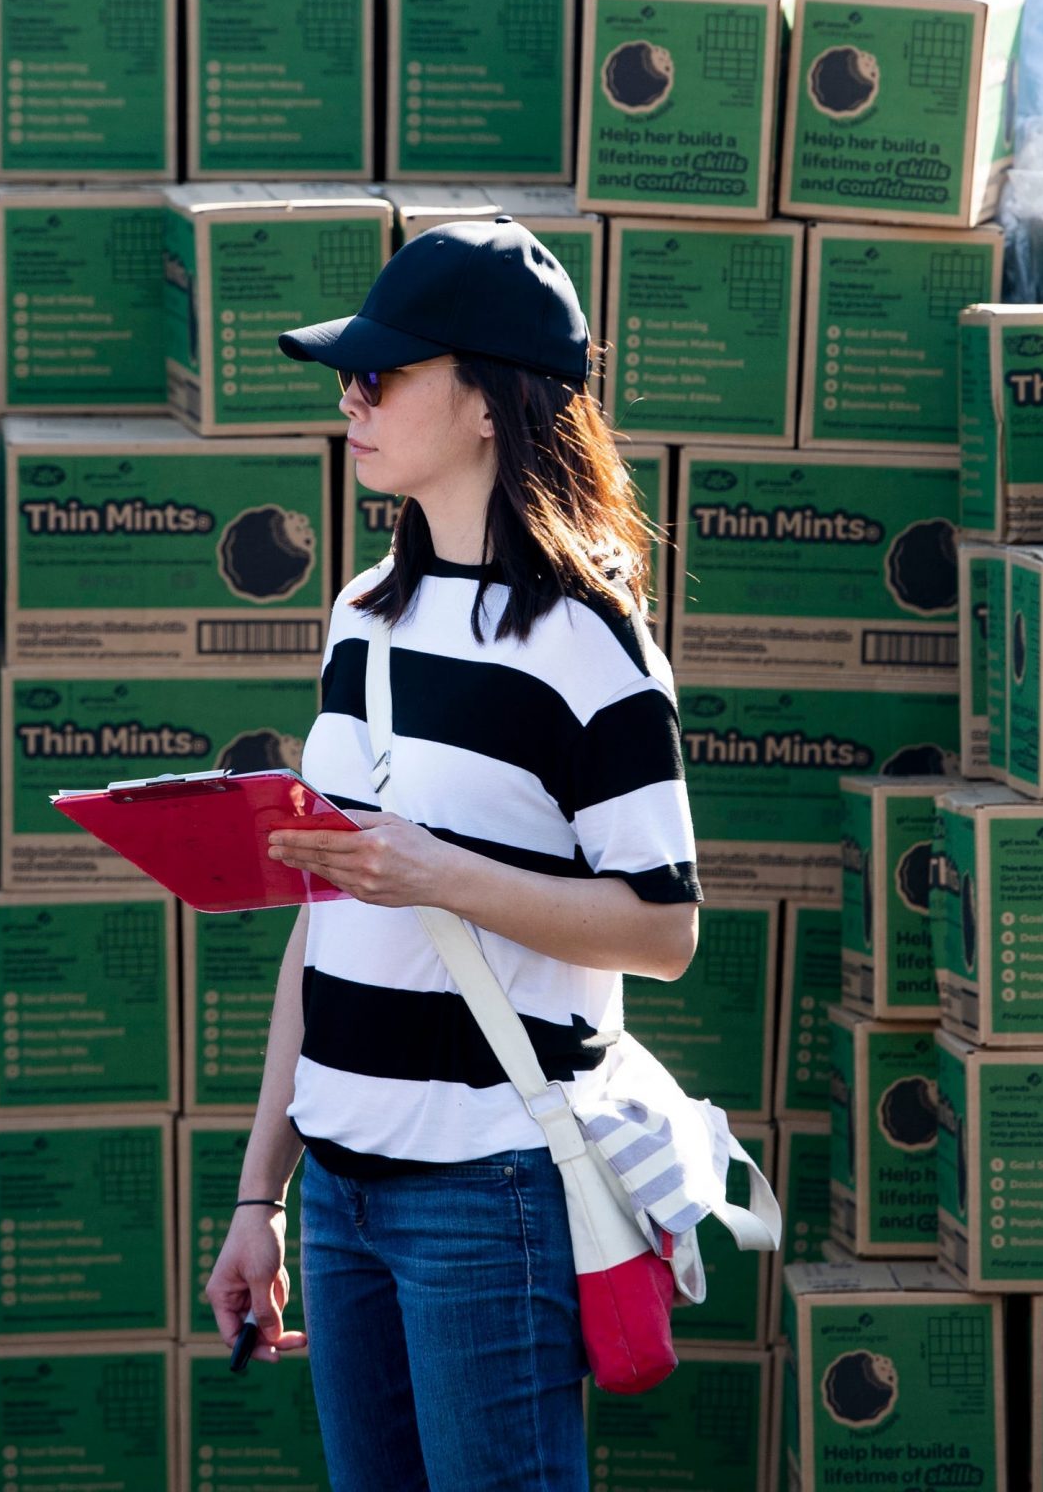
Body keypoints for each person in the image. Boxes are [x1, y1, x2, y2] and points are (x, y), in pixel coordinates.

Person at [202, 218, 703, 1492]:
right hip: (341, 1197)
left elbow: (663, 927)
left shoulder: (590, 647)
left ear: (487, 401)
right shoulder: (361, 613)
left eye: (384, 375)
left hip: (491, 1200)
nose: (351, 401)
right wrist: (260, 1197)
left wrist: (436, 872)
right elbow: (325, 924)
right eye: (347, 378)